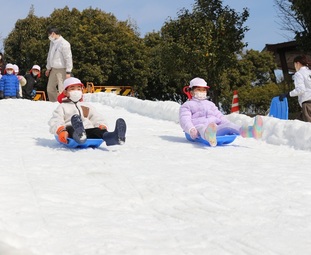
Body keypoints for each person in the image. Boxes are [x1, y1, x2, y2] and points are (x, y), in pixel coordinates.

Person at [179, 77, 263, 147]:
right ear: (191, 92)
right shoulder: (187, 105)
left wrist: (228, 125)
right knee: (201, 127)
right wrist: (190, 129)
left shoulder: (210, 104)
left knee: (228, 125)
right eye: (199, 89)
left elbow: (220, 116)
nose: (202, 92)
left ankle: (251, 131)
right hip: (197, 129)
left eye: (204, 90)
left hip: (214, 128)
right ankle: (209, 136)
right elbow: (185, 120)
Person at [48, 77, 126, 146]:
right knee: (71, 128)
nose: (76, 91)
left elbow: (95, 116)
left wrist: (101, 125)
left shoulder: (86, 106)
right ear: (65, 92)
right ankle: (79, 136)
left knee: (97, 131)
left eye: (79, 89)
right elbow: (56, 120)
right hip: (70, 130)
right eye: (72, 89)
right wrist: (61, 130)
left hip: (88, 130)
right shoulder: (62, 106)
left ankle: (114, 137)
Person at [279, 55, 311, 122]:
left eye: (295, 65)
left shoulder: (299, 74)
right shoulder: (309, 73)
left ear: (298, 63)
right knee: (297, 124)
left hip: (307, 104)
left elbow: (301, 90)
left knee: (307, 128)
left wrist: (288, 94)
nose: (295, 67)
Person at [45, 27, 73, 102]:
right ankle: (53, 102)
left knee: (61, 89)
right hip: (53, 69)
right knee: (50, 88)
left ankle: (63, 103)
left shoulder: (64, 43)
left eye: (49, 34)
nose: (49, 37)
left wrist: (68, 71)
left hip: (62, 69)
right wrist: (48, 68)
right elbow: (50, 56)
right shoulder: (52, 43)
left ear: (53, 34)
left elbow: (68, 58)